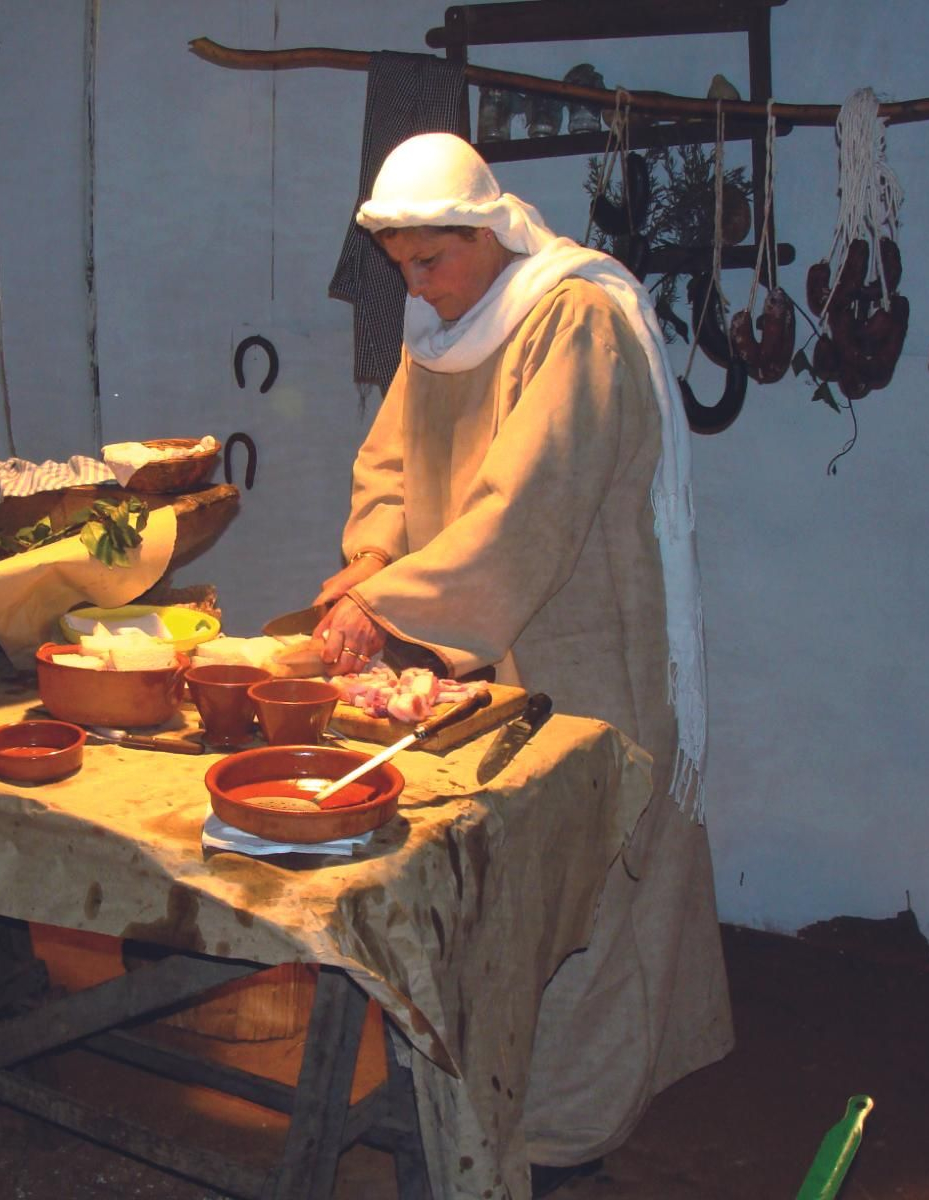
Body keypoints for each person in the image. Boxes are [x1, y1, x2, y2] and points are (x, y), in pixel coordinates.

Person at [311, 132, 734, 1186]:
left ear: (490, 233)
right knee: (486, 894)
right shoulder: (442, 327)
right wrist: (369, 560)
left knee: (586, 890)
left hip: (587, 638)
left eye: (432, 263)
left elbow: (529, 507)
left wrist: (389, 602)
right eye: (402, 267)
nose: (418, 289)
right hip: (479, 648)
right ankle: (472, 1103)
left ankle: (558, 1137)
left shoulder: (575, 317)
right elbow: (391, 466)